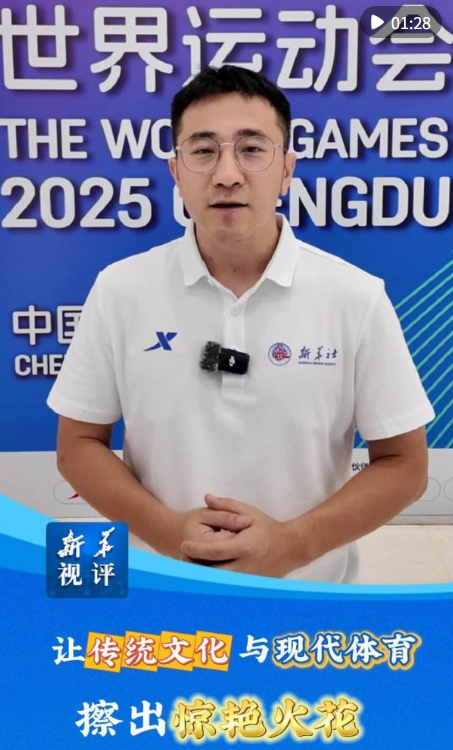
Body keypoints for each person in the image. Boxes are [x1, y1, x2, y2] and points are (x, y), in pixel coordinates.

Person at [47, 65, 435, 583]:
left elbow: (405, 465)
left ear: (287, 169)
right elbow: (77, 444)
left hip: (307, 601)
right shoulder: (121, 289)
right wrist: (166, 531)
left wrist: (294, 545)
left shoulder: (355, 297)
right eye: (204, 150)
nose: (227, 173)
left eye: (252, 149)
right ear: (176, 171)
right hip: (162, 592)